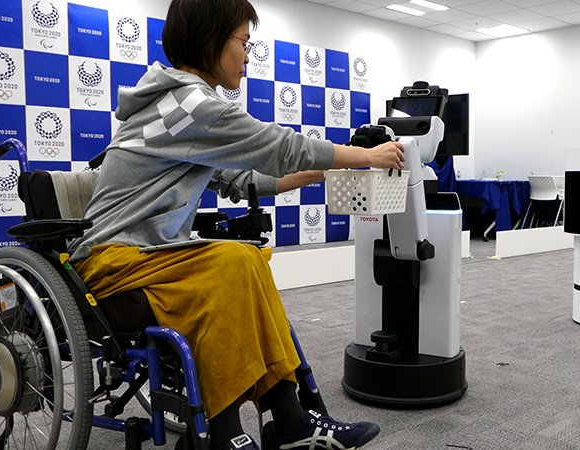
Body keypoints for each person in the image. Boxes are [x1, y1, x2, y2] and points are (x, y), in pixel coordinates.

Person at [68, 0, 405, 449]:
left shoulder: (180, 104)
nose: (248, 55)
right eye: (243, 43)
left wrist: (325, 170)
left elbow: (241, 180)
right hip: (113, 260)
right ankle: (232, 432)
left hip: (145, 256)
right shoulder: (190, 104)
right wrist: (365, 156)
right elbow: (279, 147)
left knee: (249, 259)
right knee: (233, 260)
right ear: (212, 39)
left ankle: (289, 422)